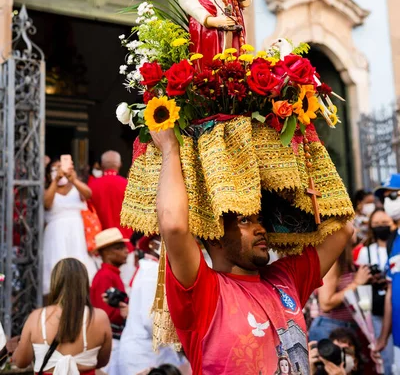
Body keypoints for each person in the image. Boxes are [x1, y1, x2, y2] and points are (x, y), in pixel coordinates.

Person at [151, 128, 354, 375]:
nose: (260, 228)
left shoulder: (286, 278)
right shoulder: (202, 290)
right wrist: (170, 148)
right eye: (245, 221)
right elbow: (173, 226)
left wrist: (304, 143)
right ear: (215, 238)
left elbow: (343, 229)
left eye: (260, 219)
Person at [12, 258, 112, 374]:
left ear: (55, 282)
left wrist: (18, 347)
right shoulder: (99, 317)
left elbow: (21, 362)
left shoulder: (37, 317)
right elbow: (102, 361)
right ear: (84, 282)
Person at [118, 235, 189, 374]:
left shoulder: (152, 270)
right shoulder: (152, 273)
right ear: (153, 245)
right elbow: (152, 321)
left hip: (150, 353)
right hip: (145, 356)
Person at [43, 158, 97, 295]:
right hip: (56, 234)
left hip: (76, 232)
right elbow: (46, 204)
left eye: (62, 167)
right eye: (55, 169)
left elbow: (88, 194)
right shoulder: (48, 189)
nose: (60, 171)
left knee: (77, 260)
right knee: (56, 262)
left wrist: (73, 179)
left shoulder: (75, 188)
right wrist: (56, 181)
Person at [308, 238, 371, 341]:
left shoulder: (348, 261)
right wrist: (356, 283)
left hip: (346, 328)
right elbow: (326, 304)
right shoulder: (334, 262)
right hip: (330, 328)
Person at [356, 208, 394, 374]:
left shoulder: (395, 247)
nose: (381, 227)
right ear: (371, 226)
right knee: (385, 353)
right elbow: (360, 279)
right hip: (377, 306)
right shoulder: (366, 251)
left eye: (384, 223)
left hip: (395, 301)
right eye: (377, 224)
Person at [90, 228, 129, 375]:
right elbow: (104, 314)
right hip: (110, 341)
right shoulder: (105, 276)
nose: (126, 251)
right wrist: (126, 313)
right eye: (119, 248)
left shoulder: (111, 274)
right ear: (105, 252)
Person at [375, 175, 400, 369]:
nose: (389, 203)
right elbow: (391, 294)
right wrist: (383, 338)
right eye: (386, 199)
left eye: (394, 196)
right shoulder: (392, 241)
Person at [88, 151, 133, 242]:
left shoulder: (91, 186)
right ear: (119, 164)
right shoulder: (129, 185)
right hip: (125, 241)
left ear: (101, 165)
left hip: (100, 241)